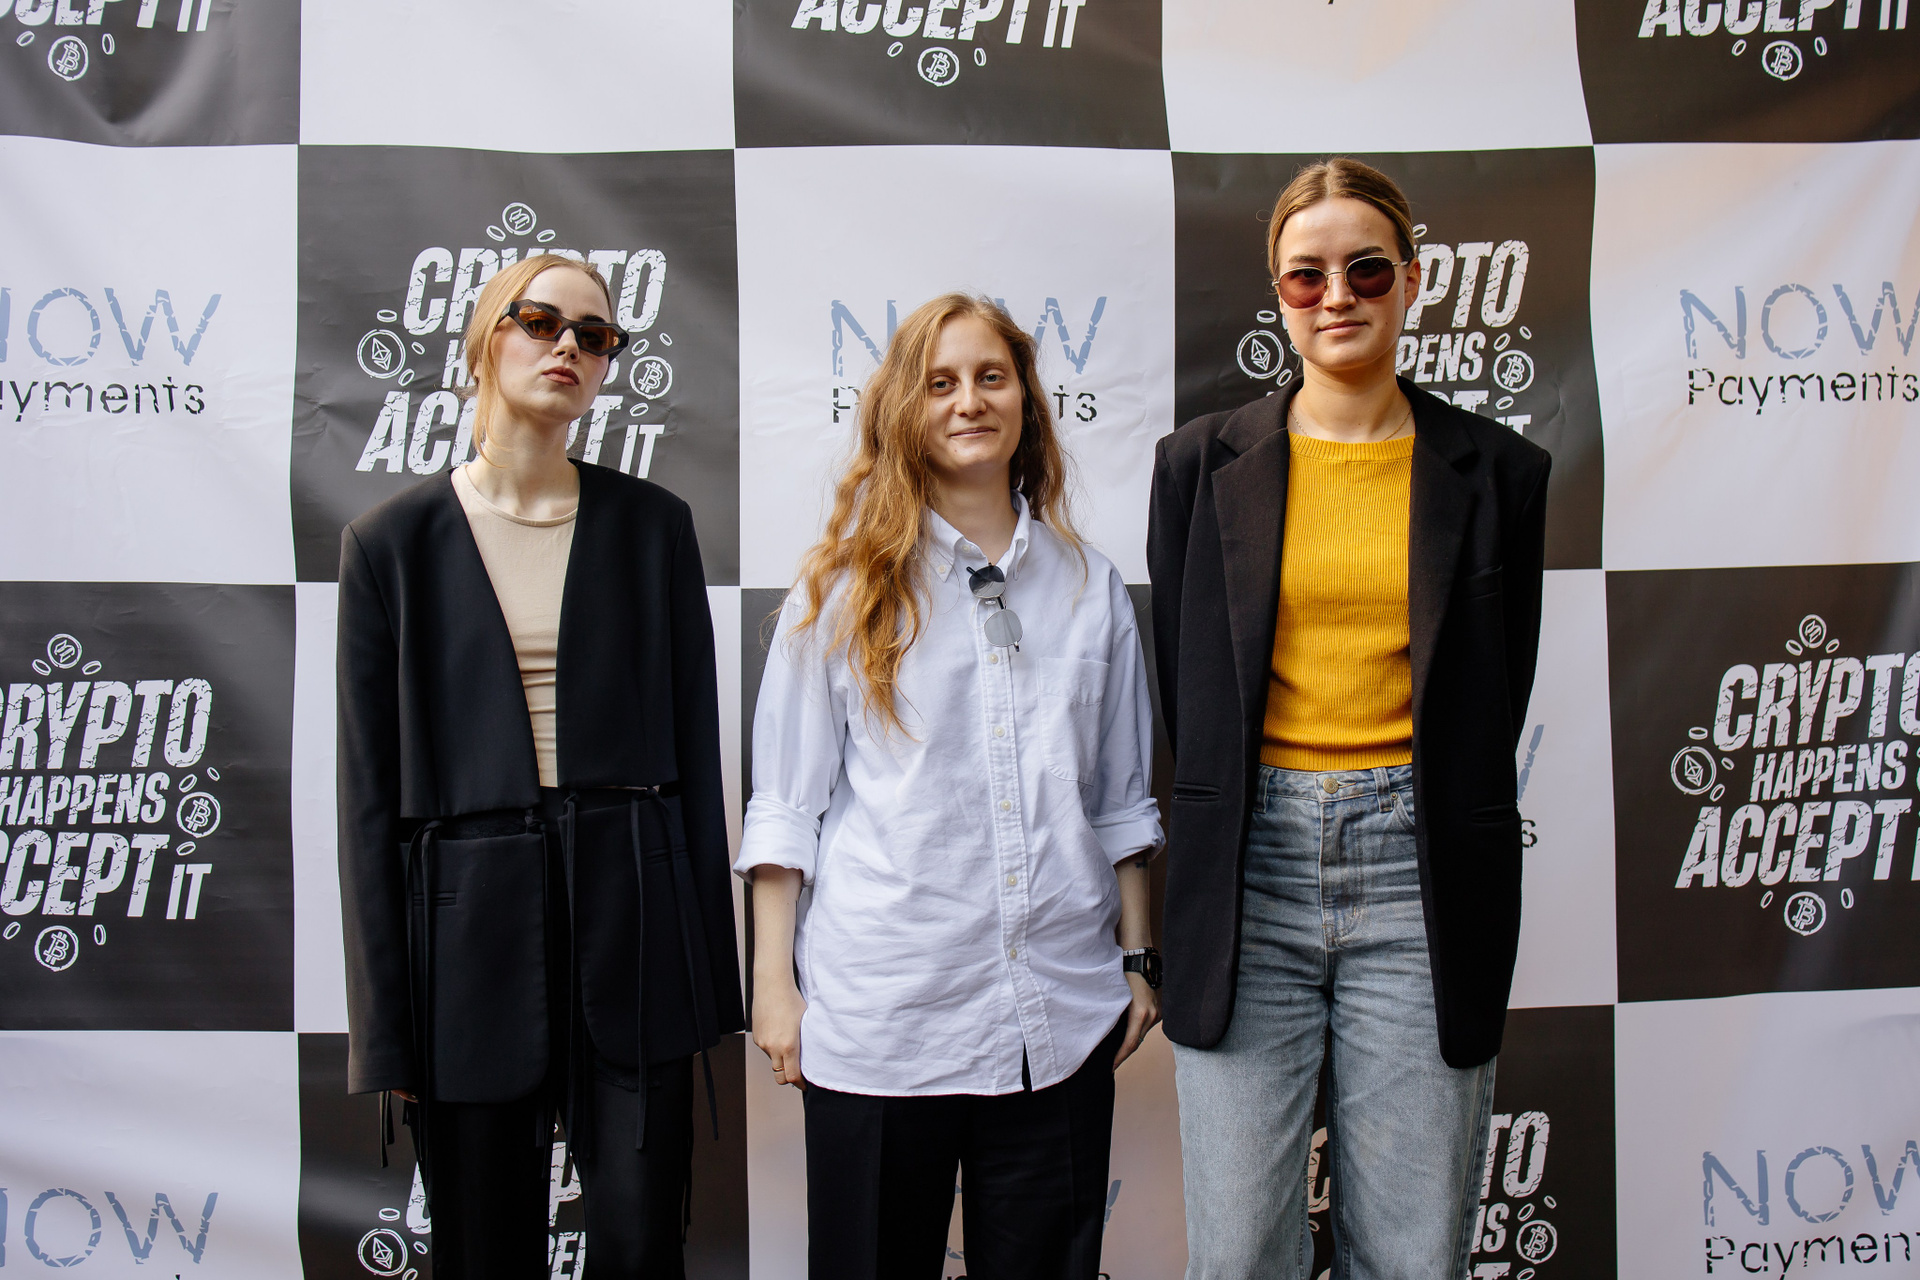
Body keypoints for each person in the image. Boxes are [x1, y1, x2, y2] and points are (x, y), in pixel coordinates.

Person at [1147, 159, 1551, 1278]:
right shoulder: (1197, 466)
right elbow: (1189, 686)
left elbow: (1495, 689)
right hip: (1247, 873)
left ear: (1411, 280)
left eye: (1367, 268)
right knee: (1238, 1255)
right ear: (1277, 291)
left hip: (1422, 876)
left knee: (1413, 1256)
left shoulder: (1501, 473)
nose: (1338, 295)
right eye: (1307, 274)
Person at [335, 252, 744, 1280]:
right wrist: (387, 1029)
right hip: (464, 937)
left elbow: (696, 761)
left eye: (595, 335)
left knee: (643, 1245)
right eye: (541, 321)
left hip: (635, 916)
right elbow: (368, 802)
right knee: (481, 1250)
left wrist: (706, 977)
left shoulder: (654, 528)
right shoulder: (390, 544)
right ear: (486, 338)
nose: (569, 346)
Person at [739, 293, 1164, 1280]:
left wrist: (1139, 960)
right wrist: (773, 986)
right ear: (905, 409)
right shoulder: (839, 588)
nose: (968, 400)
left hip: (1057, 1021)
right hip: (882, 1022)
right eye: (940, 382)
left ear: (1025, 400)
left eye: (990, 377)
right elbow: (785, 808)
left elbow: (1122, 798)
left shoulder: (1088, 584)